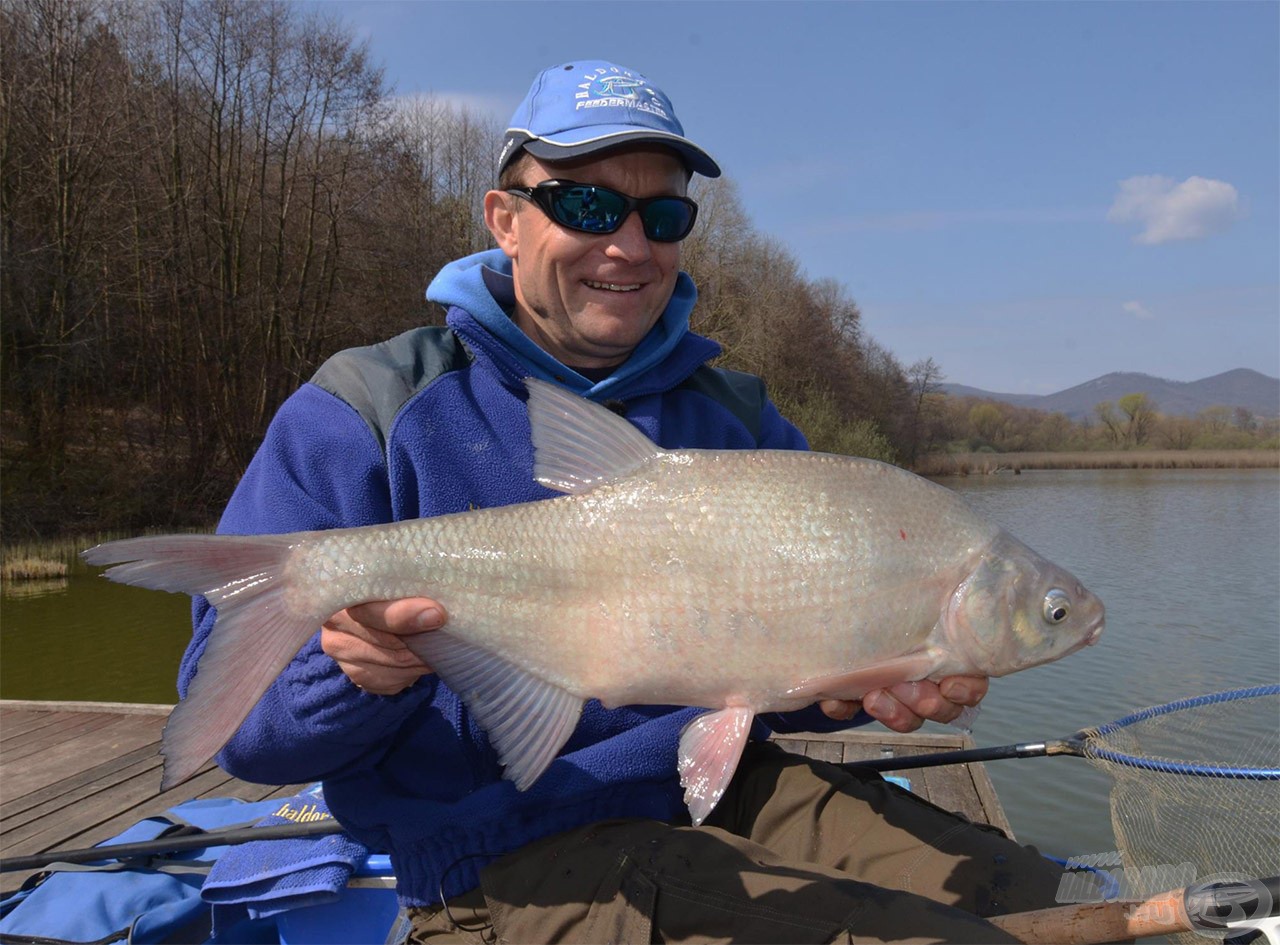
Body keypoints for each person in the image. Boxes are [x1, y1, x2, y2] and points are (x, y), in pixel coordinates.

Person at [184, 60, 1068, 942]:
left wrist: (855, 682)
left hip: (723, 791)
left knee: (1037, 896)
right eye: (587, 205)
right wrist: (353, 673)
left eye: (664, 214)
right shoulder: (367, 409)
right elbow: (253, 745)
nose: (630, 244)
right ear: (507, 221)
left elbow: (772, 689)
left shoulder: (739, 422)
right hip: (494, 855)